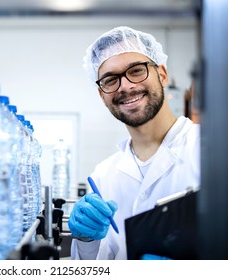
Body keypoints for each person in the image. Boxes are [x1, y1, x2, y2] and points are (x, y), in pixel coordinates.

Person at [68, 26, 200, 260]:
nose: (125, 86)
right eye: (110, 80)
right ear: (102, 95)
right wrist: (86, 241)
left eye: (136, 71)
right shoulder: (103, 176)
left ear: (161, 74)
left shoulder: (211, 150)